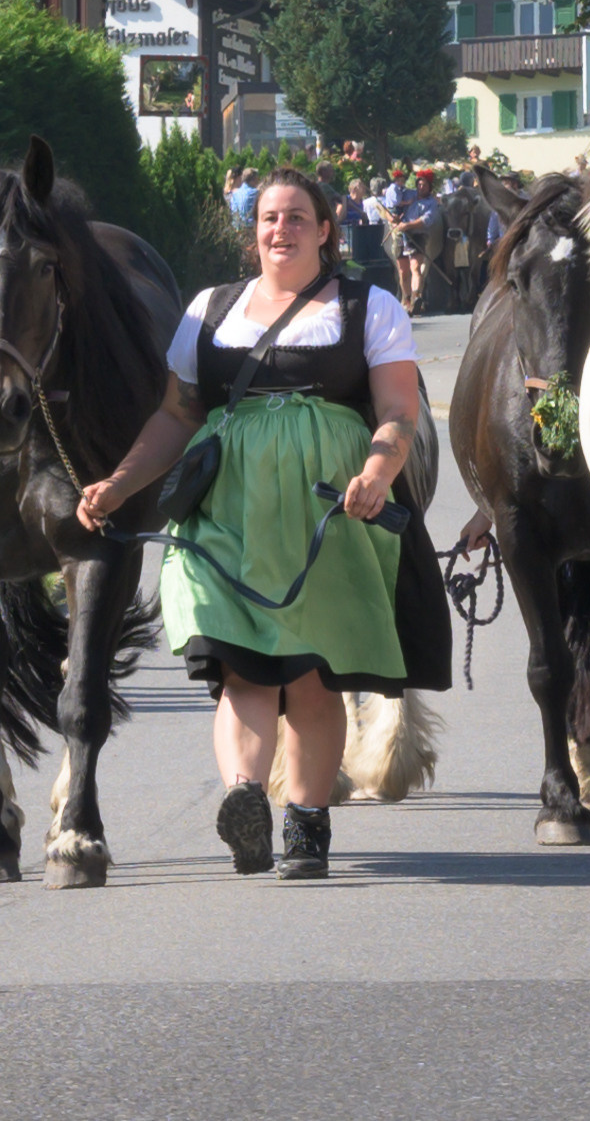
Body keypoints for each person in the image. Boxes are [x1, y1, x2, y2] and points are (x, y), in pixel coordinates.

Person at [74, 168, 447, 881]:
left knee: (310, 678)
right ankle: (247, 799)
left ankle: (306, 823)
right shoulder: (210, 309)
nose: (282, 229)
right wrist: (121, 482)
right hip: (228, 510)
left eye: (298, 217)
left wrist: (376, 473)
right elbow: (176, 415)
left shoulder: (369, 308)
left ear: (327, 229)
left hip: (327, 509)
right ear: (255, 232)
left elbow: (399, 410)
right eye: (271, 218)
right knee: (239, 666)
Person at [386, 170, 441, 314]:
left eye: (424, 185)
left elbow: (427, 220)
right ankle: (407, 299)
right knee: (403, 271)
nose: (421, 187)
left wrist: (408, 226)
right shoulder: (407, 194)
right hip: (399, 234)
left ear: (430, 187)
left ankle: (416, 296)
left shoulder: (432, 203)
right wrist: (391, 218)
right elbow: (390, 205)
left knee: (415, 267)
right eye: (419, 184)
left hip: (417, 235)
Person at [226, 166, 257, 231]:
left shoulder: (235, 194)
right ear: (253, 180)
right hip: (253, 228)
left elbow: (234, 212)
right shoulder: (256, 193)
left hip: (239, 229)